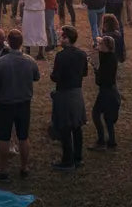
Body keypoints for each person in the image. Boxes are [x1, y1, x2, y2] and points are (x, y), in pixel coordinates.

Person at [0, 29, 40, 180]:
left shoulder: (1, 62)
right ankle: (24, 167)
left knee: (3, 137)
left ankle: (3, 169)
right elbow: (36, 77)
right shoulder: (29, 60)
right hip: (23, 103)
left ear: (8, 42)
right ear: (21, 42)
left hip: (4, 104)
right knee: (23, 136)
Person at [50, 25, 88, 172]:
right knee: (77, 127)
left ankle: (67, 161)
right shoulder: (82, 54)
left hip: (64, 93)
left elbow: (55, 76)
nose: (60, 39)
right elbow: (84, 73)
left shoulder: (61, 56)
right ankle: (78, 158)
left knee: (65, 128)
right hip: (77, 92)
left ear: (67, 38)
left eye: (61, 37)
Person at [90, 35, 120, 150]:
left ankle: (101, 141)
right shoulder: (110, 56)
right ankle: (111, 142)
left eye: (101, 44)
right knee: (107, 118)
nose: (99, 46)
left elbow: (102, 79)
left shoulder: (108, 60)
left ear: (107, 47)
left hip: (106, 91)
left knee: (96, 113)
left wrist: (97, 72)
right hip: (111, 91)